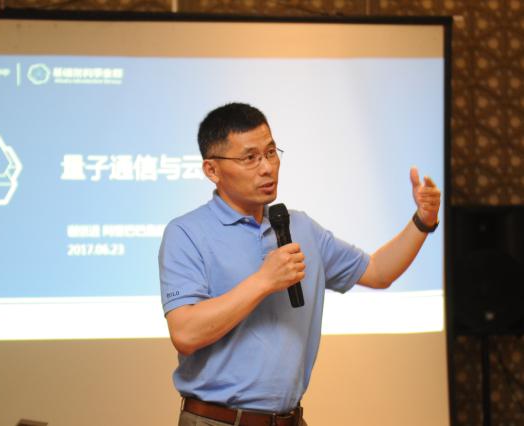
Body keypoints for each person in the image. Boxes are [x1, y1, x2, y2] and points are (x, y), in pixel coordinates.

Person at [158, 102, 441, 426]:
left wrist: (422, 221)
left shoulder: (300, 227)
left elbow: (378, 272)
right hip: (217, 421)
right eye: (250, 158)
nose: (267, 168)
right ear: (212, 170)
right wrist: (264, 281)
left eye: (271, 152)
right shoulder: (187, 233)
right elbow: (186, 333)